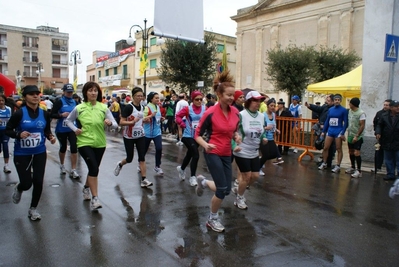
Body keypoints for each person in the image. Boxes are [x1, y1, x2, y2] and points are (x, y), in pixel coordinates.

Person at [194, 71, 240, 233]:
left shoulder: (235, 112)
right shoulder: (210, 113)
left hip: (227, 153)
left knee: (227, 189)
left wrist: (237, 136)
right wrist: (205, 145)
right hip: (212, 152)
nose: (231, 98)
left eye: (233, 95)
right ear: (219, 94)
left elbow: (234, 130)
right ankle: (212, 219)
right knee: (221, 190)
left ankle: (204, 182)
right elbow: (197, 135)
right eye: (228, 95)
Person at [6, 85, 57, 220]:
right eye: (31, 94)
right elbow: (8, 130)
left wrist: (50, 137)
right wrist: (18, 134)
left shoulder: (44, 113)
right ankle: (20, 188)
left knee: (39, 181)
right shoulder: (19, 113)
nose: (35, 96)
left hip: (39, 152)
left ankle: (33, 209)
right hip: (22, 153)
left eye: (37, 94)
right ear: (25, 97)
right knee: (27, 183)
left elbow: (46, 130)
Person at [65, 82, 117, 210]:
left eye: (95, 90)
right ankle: (95, 199)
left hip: (100, 143)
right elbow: (68, 120)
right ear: (85, 93)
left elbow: (116, 124)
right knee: (94, 168)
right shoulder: (79, 108)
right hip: (84, 142)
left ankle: (86, 188)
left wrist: (110, 123)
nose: (93, 93)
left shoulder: (103, 107)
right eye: (90, 90)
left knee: (94, 169)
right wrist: (75, 129)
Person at [232, 91, 265, 210]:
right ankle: (239, 198)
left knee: (255, 176)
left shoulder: (261, 116)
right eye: (255, 100)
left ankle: (239, 189)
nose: (258, 103)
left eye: (259, 101)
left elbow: (261, 131)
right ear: (249, 101)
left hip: (254, 151)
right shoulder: (241, 115)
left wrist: (264, 137)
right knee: (246, 176)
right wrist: (234, 143)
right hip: (242, 149)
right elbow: (231, 131)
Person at [114, 87, 153, 188]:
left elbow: (140, 120)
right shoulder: (128, 107)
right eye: (138, 96)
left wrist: (145, 120)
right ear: (133, 96)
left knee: (142, 157)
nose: (140, 98)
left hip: (140, 135)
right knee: (130, 158)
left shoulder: (143, 107)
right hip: (129, 136)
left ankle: (144, 179)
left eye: (141, 96)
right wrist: (132, 122)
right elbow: (121, 122)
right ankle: (120, 164)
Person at [175, 91, 206, 186]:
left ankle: (182, 169)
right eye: (197, 99)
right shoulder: (187, 109)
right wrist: (181, 123)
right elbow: (177, 116)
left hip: (197, 137)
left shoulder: (205, 109)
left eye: (201, 99)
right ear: (192, 100)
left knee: (190, 154)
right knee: (196, 155)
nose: (199, 101)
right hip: (188, 136)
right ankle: (193, 177)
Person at [51, 83, 80, 178]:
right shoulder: (59, 102)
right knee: (63, 147)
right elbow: (52, 114)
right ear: (63, 92)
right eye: (68, 92)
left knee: (74, 147)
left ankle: (73, 169)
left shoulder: (75, 102)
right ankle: (62, 165)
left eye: (71, 92)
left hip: (72, 128)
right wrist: (61, 115)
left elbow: (79, 116)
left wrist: (79, 127)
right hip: (61, 129)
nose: (69, 94)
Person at [318, 94, 348, 173]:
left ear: (340, 101)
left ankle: (338, 165)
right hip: (330, 130)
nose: (337, 101)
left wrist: (342, 132)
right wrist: (323, 131)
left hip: (338, 131)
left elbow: (346, 122)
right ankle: (324, 162)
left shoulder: (343, 110)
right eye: (335, 100)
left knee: (338, 148)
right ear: (333, 101)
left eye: (338, 100)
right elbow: (327, 121)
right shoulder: (331, 109)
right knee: (325, 147)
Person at [305, 94, 336, 168]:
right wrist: (309, 105)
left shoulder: (333, 109)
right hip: (322, 129)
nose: (327, 100)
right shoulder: (325, 107)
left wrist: (325, 125)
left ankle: (328, 162)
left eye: (328, 99)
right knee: (323, 146)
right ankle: (324, 161)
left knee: (329, 147)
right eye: (327, 99)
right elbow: (318, 108)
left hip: (329, 130)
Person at [375, 100, 399, 181]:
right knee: (388, 159)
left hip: (397, 141)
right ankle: (390, 174)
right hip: (387, 141)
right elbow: (379, 125)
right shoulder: (384, 116)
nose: (398, 108)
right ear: (391, 108)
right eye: (396, 106)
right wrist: (378, 132)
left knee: (398, 159)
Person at [259, 98, 284, 175]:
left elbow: (273, 125)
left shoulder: (273, 115)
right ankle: (258, 168)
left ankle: (261, 159)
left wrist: (276, 130)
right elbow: (259, 128)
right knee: (266, 154)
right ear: (267, 106)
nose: (273, 107)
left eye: (274, 105)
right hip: (264, 138)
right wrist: (266, 128)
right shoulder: (263, 115)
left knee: (273, 154)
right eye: (271, 105)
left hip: (271, 138)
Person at [143, 92, 164, 176]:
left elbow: (157, 118)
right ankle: (140, 163)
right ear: (151, 99)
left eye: (158, 98)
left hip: (157, 132)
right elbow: (143, 119)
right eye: (156, 98)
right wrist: (150, 116)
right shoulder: (147, 108)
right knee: (144, 150)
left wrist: (161, 118)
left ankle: (157, 166)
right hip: (147, 132)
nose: (158, 99)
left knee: (159, 148)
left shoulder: (158, 107)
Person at [345, 97, 366, 178]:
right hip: (350, 134)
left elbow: (362, 125)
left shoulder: (361, 113)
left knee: (356, 152)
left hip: (357, 136)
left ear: (353, 104)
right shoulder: (350, 111)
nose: (349, 104)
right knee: (350, 151)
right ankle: (352, 166)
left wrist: (357, 136)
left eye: (350, 103)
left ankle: (359, 170)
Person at [372, 99, 391, 172]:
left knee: (389, 154)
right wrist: (377, 132)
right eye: (384, 105)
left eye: (387, 105)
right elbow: (376, 123)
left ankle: (389, 169)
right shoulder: (379, 113)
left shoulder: (392, 114)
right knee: (378, 152)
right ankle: (377, 167)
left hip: (389, 137)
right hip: (380, 137)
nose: (385, 106)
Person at [0, 94, 12, 173]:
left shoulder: (9, 109)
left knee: (5, 147)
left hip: (5, 132)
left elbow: (11, 120)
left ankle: (6, 165)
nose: (1, 102)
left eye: (2, 100)